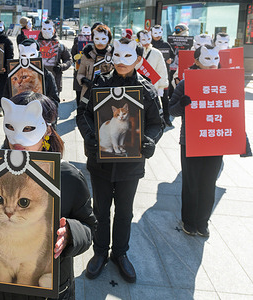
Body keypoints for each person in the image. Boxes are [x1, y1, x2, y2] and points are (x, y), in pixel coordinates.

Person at [0, 91, 97, 299]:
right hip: (0, 288)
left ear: (47, 130)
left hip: (50, 288)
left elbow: (89, 228)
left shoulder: (68, 177)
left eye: (28, 128)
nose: (17, 138)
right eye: (10, 127)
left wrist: (70, 234)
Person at [76, 38, 164, 283]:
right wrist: (90, 137)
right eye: (118, 55)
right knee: (100, 211)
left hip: (130, 166)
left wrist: (150, 141)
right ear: (112, 56)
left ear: (138, 60)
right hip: (100, 162)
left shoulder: (146, 89)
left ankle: (120, 253)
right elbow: (82, 114)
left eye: (129, 57)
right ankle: (100, 252)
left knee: (124, 212)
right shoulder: (98, 84)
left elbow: (158, 123)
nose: (122, 62)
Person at [169, 45, 223, 237]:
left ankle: (203, 221)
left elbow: (233, 112)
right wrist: (182, 104)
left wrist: (242, 140)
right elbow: (171, 110)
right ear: (197, 61)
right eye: (207, 59)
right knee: (191, 182)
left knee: (209, 183)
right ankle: (189, 220)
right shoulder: (185, 83)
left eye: (215, 58)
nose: (212, 64)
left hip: (216, 140)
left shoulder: (225, 82)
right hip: (191, 140)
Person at [3, 38, 60, 104]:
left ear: (38, 54)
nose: (28, 58)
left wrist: (45, 110)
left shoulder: (47, 75)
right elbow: (6, 99)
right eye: (24, 55)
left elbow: (54, 100)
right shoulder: (13, 75)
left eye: (32, 55)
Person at [77, 24, 114, 102]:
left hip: (107, 95)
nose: (100, 42)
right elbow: (80, 73)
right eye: (97, 38)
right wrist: (84, 80)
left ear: (109, 39)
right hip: (88, 94)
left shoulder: (113, 55)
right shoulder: (87, 54)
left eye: (103, 39)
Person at [37, 20, 72, 93]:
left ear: (54, 30)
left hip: (55, 80)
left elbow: (68, 59)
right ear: (41, 30)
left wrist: (62, 66)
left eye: (49, 29)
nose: (46, 31)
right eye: (44, 29)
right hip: (38, 80)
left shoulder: (60, 45)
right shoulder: (35, 45)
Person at [151, 24, 175, 127]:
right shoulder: (148, 45)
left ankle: (166, 118)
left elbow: (172, 56)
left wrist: (171, 60)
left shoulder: (166, 45)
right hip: (150, 75)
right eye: (155, 33)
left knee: (165, 98)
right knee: (151, 98)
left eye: (159, 33)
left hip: (163, 75)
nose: (157, 35)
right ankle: (153, 119)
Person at [135, 30, 168, 101]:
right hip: (136, 85)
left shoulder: (157, 53)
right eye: (143, 39)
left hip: (153, 86)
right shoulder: (134, 52)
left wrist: (161, 87)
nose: (147, 42)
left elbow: (161, 70)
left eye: (149, 39)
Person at [71, 25, 92, 105]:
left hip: (90, 70)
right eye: (84, 33)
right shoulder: (77, 41)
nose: (86, 35)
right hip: (79, 69)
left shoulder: (94, 41)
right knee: (79, 91)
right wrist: (76, 57)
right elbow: (72, 54)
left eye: (88, 33)